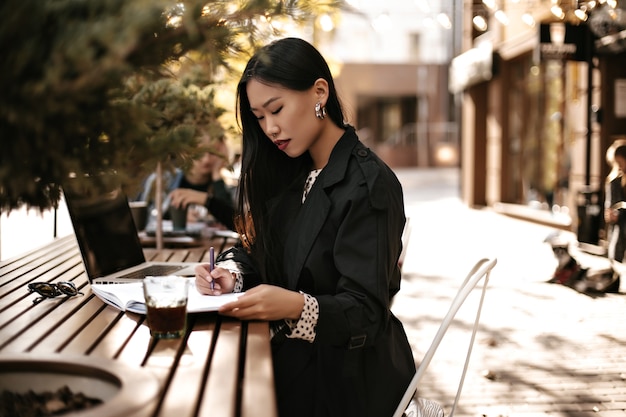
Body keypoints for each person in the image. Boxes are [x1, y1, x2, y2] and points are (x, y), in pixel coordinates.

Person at [194, 37, 415, 417]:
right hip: (297, 362)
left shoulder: (367, 183)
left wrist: (297, 306)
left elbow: (367, 313)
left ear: (319, 93)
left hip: (345, 384)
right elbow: (260, 253)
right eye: (259, 117)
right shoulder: (295, 172)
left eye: (276, 109)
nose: (270, 128)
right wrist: (233, 274)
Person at [135, 133, 236, 231]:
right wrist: (176, 217)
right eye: (200, 153)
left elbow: (234, 222)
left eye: (213, 152)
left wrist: (217, 177)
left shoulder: (227, 185)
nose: (206, 159)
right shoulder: (165, 179)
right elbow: (148, 219)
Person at [604, 141, 626, 262]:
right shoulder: (614, 181)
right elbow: (610, 206)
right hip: (618, 228)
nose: (619, 166)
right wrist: (611, 214)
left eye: (621, 162)